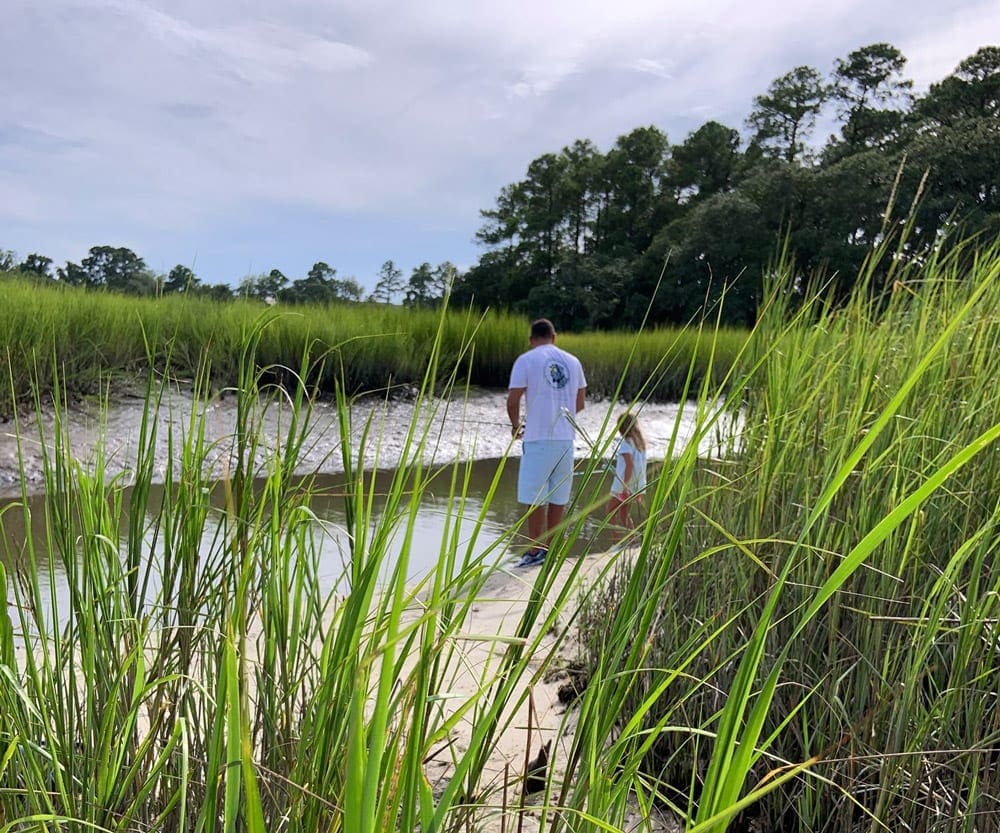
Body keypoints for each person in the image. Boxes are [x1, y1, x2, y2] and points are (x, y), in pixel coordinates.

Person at [506, 318, 587, 566]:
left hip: (538, 438)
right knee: (558, 497)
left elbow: (513, 399)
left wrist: (515, 425)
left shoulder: (526, 359)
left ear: (531, 340)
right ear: (554, 337)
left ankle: (534, 552)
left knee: (534, 498)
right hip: (566, 440)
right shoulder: (573, 362)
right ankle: (551, 549)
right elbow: (580, 403)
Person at [607, 411, 647, 546]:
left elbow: (629, 466)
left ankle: (616, 542)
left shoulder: (625, 444)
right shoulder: (639, 443)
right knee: (624, 514)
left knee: (610, 513)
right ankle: (632, 541)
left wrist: (624, 487)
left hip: (624, 486)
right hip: (637, 485)